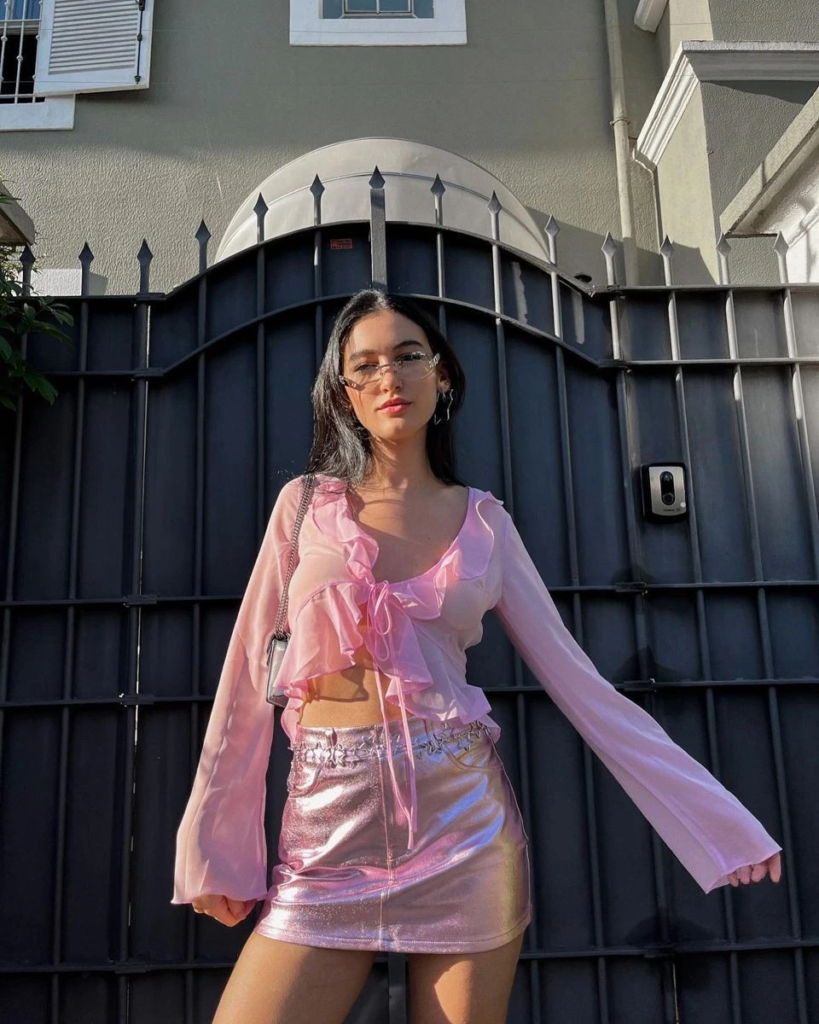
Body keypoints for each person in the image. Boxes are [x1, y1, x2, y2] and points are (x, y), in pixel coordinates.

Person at [171, 289, 783, 1024]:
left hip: (462, 821)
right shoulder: (303, 506)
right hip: (326, 823)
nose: (388, 378)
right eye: (363, 366)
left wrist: (720, 823)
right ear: (342, 394)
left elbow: (582, 687)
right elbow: (245, 681)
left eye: (407, 356)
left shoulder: (484, 522)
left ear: (443, 376)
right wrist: (213, 845)